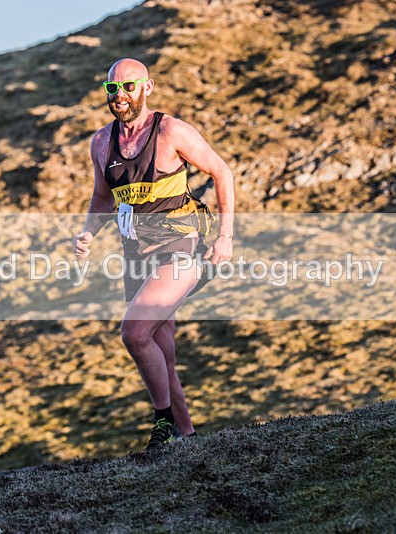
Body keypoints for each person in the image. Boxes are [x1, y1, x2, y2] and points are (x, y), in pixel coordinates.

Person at [73, 58, 235, 450]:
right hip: (136, 256)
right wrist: (88, 232)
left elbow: (222, 172)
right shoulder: (102, 142)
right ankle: (188, 439)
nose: (120, 95)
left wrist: (225, 236)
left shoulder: (170, 131)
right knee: (162, 353)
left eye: (128, 86)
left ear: (147, 87)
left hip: (182, 249)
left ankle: (162, 423)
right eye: (112, 88)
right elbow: (102, 198)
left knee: (134, 332)